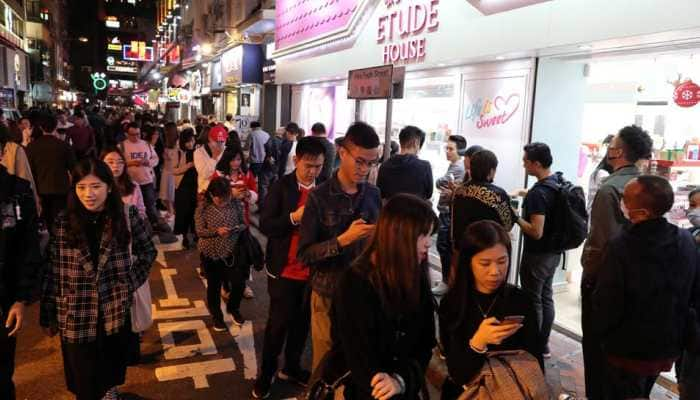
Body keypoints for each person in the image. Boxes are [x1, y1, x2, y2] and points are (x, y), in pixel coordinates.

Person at [40, 158, 156, 400]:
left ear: (109, 187)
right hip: (75, 312)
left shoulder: (125, 215)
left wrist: (128, 284)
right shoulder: (63, 221)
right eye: (81, 187)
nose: (88, 194)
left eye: (95, 187)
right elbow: (54, 268)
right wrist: (49, 310)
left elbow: (147, 251)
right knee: (83, 379)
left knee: (109, 370)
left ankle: (110, 393)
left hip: (112, 310)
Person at [594, 176, 700, 399]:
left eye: (626, 199)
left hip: (627, 348)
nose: (622, 202)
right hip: (668, 345)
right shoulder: (685, 239)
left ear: (642, 211)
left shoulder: (620, 246)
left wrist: (601, 336)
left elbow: (608, 302)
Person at [330, 194, 438, 399]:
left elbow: (425, 343)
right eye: (423, 235)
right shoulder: (354, 283)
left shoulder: (416, 276)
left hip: (404, 390)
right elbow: (357, 358)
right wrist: (388, 383)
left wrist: (401, 380)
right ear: (399, 235)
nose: (428, 244)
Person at [298, 121, 381, 380]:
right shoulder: (319, 197)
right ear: (342, 153)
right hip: (328, 293)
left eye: (371, 163)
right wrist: (343, 240)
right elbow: (305, 254)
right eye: (360, 161)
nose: (365, 169)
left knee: (361, 362)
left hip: (366, 292)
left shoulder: (374, 195)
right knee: (326, 364)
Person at [580, 125, 653, 399]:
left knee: (598, 353)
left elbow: (602, 243)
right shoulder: (650, 186)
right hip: (640, 283)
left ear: (619, 151)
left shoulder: (609, 188)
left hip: (607, 283)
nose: (608, 150)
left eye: (612, 146)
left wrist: (589, 278)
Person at [252, 137, 327, 398]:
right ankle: (266, 373)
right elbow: (266, 225)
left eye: (318, 166)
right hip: (284, 270)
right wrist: (294, 217)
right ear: (296, 161)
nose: (313, 171)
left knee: (302, 324)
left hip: (313, 273)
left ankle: (292, 367)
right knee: (278, 325)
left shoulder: (324, 190)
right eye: (309, 165)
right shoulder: (281, 187)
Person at [439, 220, 542, 399]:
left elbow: (536, 362)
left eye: (502, 261)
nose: (495, 271)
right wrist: (478, 342)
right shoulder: (452, 303)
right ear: (468, 263)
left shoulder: (521, 301)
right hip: (468, 391)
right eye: (485, 263)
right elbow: (457, 374)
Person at [441, 150, 516, 298]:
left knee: (463, 291)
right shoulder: (497, 195)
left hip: (462, 250)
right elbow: (507, 226)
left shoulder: (459, 191)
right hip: (487, 253)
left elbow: (454, 222)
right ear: (491, 171)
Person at [512, 142, 561, 359]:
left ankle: (535, 346)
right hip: (554, 253)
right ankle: (544, 344)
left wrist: (515, 217)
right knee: (546, 297)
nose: (524, 165)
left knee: (533, 300)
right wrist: (522, 192)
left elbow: (535, 231)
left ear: (537, 164)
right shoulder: (555, 182)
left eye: (526, 162)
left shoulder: (538, 194)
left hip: (537, 254)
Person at [0, 152, 41, 400]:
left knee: (3, 373)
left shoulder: (18, 190)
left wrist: (20, 298)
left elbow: (29, 247)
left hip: (5, 298)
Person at [195, 176, 247, 330]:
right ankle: (217, 316)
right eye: (220, 199)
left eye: (226, 198)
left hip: (233, 251)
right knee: (214, 286)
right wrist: (216, 231)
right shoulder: (202, 208)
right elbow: (200, 231)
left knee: (239, 283)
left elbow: (243, 223)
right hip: (211, 253)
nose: (224, 202)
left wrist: (235, 229)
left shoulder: (235, 203)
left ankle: (233, 308)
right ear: (211, 195)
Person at [26, 114, 77, 232]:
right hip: (61, 188)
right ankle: (59, 240)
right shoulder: (64, 146)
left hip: (41, 189)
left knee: (47, 219)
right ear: (55, 127)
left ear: (41, 128)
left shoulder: (32, 147)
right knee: (61, 218)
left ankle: (50, 241)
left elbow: (30, 171)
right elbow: (73, 168)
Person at [433, 135, 467, 295]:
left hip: (448, 213)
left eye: (450, 148)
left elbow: (440, 183)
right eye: (446, 148)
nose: (447, 151)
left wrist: (441, 182)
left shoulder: (458, 167)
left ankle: (447, 281)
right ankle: (447, 280)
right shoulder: (454, 166)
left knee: (444, 247)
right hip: (446, 212)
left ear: (460, 150)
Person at [376, 125, 433, 202]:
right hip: (416, 212)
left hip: (391, 212)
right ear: (416, 143)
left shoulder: (385, 166)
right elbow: (429, 193)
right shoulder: (424, 167)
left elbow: (380, 193)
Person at [102, 147, 147, 220]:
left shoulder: (133, 185)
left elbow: (141, 211)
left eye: (120, 162)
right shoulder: (98, 187)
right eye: (110, 162)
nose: (116, 165)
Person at [173, 129, 198, 249]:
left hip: (196, 186)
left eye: (192, 140)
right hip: (183, 187)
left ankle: (196, 235)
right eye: (187, 141)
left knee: (196, 212)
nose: (190, 144)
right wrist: (187, 166)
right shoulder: (178, 153)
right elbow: (173, 170)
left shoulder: (199, 152)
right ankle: (185, 237)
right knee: (184, 213)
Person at [194, 124, 227, 194]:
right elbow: (204, 174)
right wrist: (214, 157)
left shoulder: (225, 150)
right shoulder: (199, 152)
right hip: (205, 191)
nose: (220, 144)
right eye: (216, 141)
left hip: (223, 191)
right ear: (209, 139)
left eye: (222, 141)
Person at [247, 121, 271, 206]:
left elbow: (247, 147)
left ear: (252, 127)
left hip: (255, 162)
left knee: (250, 181)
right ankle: (262, 204)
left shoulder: (252, 134)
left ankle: (251, 198)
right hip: (265, 162)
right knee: (262, 184)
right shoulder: (267, 134)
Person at [159, 122, 179, 219]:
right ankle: (171, 212)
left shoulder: (177, 142)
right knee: (166, 194)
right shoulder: (166, 141)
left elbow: (176, 157)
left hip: (173, 171)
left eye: (166, 130)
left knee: (170, 194)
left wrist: (168, 156)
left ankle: (172, 213)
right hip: (166, 170)